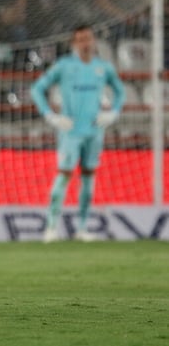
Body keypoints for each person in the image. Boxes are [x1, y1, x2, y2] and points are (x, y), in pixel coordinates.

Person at [30, 24, 125, 243]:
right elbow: (36, 89)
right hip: (70, 132)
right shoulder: (64, 66)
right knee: (63, 175)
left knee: (89, 179)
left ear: (94, 41)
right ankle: (51, 227)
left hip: (94, 131)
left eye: (88, 39)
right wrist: (50, 115)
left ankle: (82, 228)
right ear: (74, 43)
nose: (85, 43)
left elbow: (120, 91)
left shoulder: (103, 68)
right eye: (81, 39)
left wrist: (114, 113)